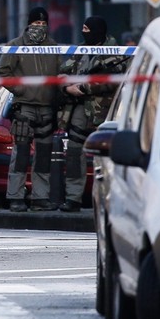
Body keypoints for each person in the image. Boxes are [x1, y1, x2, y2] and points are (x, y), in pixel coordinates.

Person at [57, 16, 129, 212]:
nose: (85, 33)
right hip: (80, 109)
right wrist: (66, 88)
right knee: (73, 152)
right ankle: (73, 198)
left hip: (107, 113)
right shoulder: (81, 51)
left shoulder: (116, 53)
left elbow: (114, 80)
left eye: (88, 29)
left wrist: (85, 87)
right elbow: (61, 73)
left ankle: (113, 200)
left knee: (108, 157)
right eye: (83, 29)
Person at [0, 6, 62, 212]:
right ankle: (15, 196)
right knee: (21, 154)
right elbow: (3, 73)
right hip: (24, 107)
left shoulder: (53, 47)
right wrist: (20, 89)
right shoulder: (15, 46)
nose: (40, 27)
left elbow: (61, 73)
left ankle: (40, 197)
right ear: (28, 24)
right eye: (36, 23)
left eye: (43, 24)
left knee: (43, 155)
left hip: (46, 108)